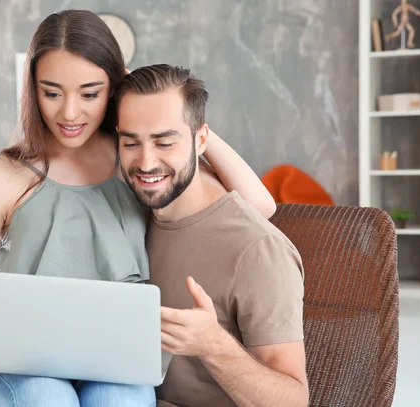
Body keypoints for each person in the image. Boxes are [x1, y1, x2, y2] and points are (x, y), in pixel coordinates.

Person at [0, 10, 276, 407]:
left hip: (113, 360)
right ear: (31, 90)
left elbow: (258, 206)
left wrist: (180, 115)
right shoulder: (3, 175)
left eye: (89, 93)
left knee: (121, 400)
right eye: (52, 93)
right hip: (19, 364)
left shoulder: (135, 161)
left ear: (113, 88)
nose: (69, 113)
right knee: (49, 397)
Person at [115, 64, 308, 407]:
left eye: (165, 142)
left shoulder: (257, 249)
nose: (145, 162)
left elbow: (293, 400)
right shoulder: (130, 216)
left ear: (200, 140)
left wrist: (212, 344)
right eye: (131, 142)